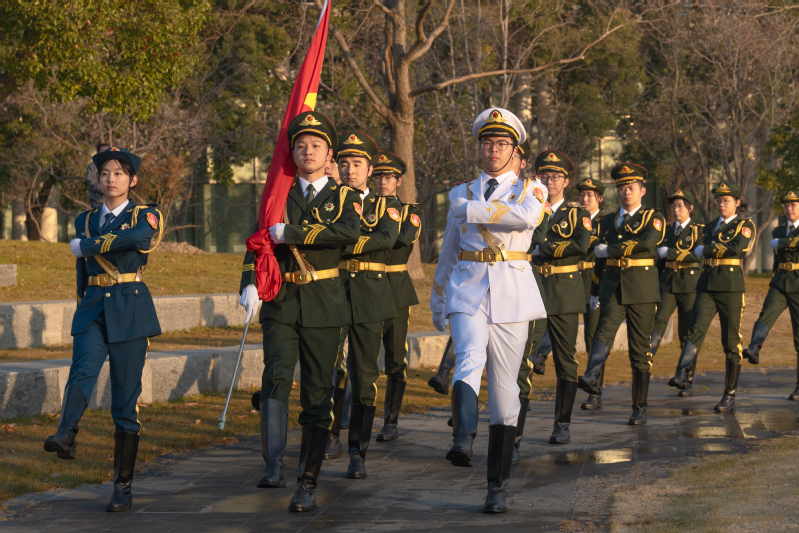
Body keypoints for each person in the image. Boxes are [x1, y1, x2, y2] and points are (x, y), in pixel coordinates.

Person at [238, 111, 361, 512]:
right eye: (300, 145)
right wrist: (249, 284)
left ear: (329, 154)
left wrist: (290, 233)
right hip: (282, 301)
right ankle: (273, 464)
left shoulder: (345, 197)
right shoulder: (278, 194)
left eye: (316, 145)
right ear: (291, 152)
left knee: (317, 391)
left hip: (325, 302)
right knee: (274, 377)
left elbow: (348, 234)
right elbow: (257, 241)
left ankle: (307, 481)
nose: (307, 151)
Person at [431, 107, 547, 513]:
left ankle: (496, 485)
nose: (493, 150)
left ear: (517, 152)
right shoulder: (460, 191)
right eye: (487, 143)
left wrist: (474, 211)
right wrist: (439, 293)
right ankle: (462, 435)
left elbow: (525, 218)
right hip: (467, 289)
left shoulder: (532, 189)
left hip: (512, 294)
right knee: (468, 355)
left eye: (501, 144)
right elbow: (449, 245)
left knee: (504, 393)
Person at [45, 147, 163, 512]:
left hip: (129, 307)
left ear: (133, 180)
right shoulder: (84, 218)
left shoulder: (147, 214)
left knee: (124, 402)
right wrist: (83, 302)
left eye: (118, 173)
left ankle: (123, 487)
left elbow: (138, 240)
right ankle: (67, 434)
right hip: (94, 308)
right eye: (105, 173)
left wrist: (88, 246)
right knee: (82, 370)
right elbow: (82, 273)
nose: (110, 179)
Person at [578, 163, 665, 425]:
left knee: (639, 350)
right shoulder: (606, 220)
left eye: (631, 187)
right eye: (622, 188)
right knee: (603, 331)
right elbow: (600, 261)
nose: (626, 192)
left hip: (642, 290)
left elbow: (646, 243)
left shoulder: (654, 218)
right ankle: (592, 374)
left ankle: (639, 407)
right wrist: (594, 292)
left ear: (642, 190)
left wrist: (612, 250)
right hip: (612, 287)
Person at [336, 131, 402, 478]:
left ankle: (357, 452)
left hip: (370, 294)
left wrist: (341, 241)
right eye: (343, 163)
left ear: (370, 169)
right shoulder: (327, 202)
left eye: (357, 164)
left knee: (364, 374)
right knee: (329, 369)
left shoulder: (385, 206)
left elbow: (387, 238)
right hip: (330, 290)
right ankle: (329, 434)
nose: (349, 170)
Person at [668, 182, 755, 411]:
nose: (720, 204)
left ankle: (729, 394)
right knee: (695, 329)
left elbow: (737, 248)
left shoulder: (744, 225)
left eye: (725, 200)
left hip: (730, 287)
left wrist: (706, 250)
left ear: (737, 202)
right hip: (706, 283)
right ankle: (682, 373)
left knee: (730, 341)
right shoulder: (707, 227)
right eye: (717, 200)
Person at [528, 150, 590, 444]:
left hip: (565, 292)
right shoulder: (529, 208)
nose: (549, 181)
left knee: (566, 360)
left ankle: (562, 424)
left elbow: (581, 244)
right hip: (533, 287)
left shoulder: (579, 213)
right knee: (525, 358)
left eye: (555, 177)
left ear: (566, 181)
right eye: (544, 176)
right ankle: (515, 425)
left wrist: (544, 246)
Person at [371, 151, 422, 442]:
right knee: (362, 356)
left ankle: (391, 420)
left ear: (398, 181)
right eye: (377, 176)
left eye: (388, 177)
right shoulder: (359, 208)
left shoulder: (409, 213)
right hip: (367, 287)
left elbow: (400, 239)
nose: (382, 182)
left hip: (395, 290)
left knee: (395, 357)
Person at [743, 191, 799, 401]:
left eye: (793, 205)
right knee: (765, 314)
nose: (789, 208)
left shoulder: (781, 235)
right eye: (786, 205)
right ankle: (754, 348)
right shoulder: (778, 230)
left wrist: (783, 243)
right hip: (780, 280)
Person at [651, 190, 703, 396]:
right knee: (659, 321)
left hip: (689, 286)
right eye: (673, 206)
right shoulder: (667, 230)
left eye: (680, 206)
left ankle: (685, 379)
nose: (676, 210)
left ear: (690, 208)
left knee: (686, 333)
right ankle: (646, 362)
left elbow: (696, 255)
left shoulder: (699, 231)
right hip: (668, 284)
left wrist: (671, 253)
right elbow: (659, 260)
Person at [575, 178, 606, 409]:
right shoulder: (573, 218)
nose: (585, 199)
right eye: (582, 195)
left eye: (590, 195)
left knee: (593, 336)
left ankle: (595, 390)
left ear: (600, 198)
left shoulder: (606, 222)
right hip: (573, 280)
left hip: (595, 279)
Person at [86, 143, 110, 209]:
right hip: (97, 203)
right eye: (102, 151)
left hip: (112, 203)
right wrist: (106, 189)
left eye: (107, 151)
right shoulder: (92, 166)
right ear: (98, 153)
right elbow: (92, 182)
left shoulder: (113, 166)